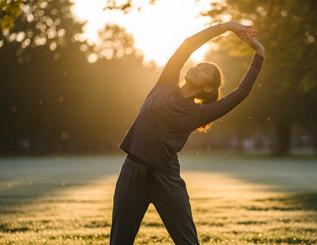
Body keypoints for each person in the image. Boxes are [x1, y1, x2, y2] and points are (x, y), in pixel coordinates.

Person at [110, 21, 265, 245]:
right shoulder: (165, 83)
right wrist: (228, 26)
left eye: (206, 71)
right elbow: (188, 45)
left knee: (188, 242)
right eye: (200, 65)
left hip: (166, 179)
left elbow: (240, 93)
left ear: (208, 89)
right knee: (119, 242)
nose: (198, 67)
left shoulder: (199, 113)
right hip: (132, 172)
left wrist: (259, 53)